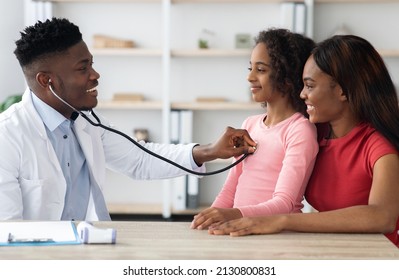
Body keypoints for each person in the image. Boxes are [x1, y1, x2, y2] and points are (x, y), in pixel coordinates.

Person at [0, 17, 256, 221]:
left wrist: (211, 151)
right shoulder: (8, 136)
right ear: (47, 81)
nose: (95, 75)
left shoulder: (86, 122)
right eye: (83, 68)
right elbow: (7, 231)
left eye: (92, 64)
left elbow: (140, 159)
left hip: (89, 252)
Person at [208, 34, 399, 247]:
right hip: (332, 253)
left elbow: (383, 217)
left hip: (377, 260)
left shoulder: (380, 148)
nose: (301, 94)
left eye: (309, 86)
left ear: (343, 90)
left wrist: (281, 220)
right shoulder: (318, 135)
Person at [191, 28, 318, 230]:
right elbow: (229, 191)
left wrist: (230, 215)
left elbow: (284, 204)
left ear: (287, 78)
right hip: (241, 229)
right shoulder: (249, 125)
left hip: (277, 235)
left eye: (260, 70)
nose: (250, 77)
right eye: (250, 68)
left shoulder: (299, 131)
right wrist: (207, 221)